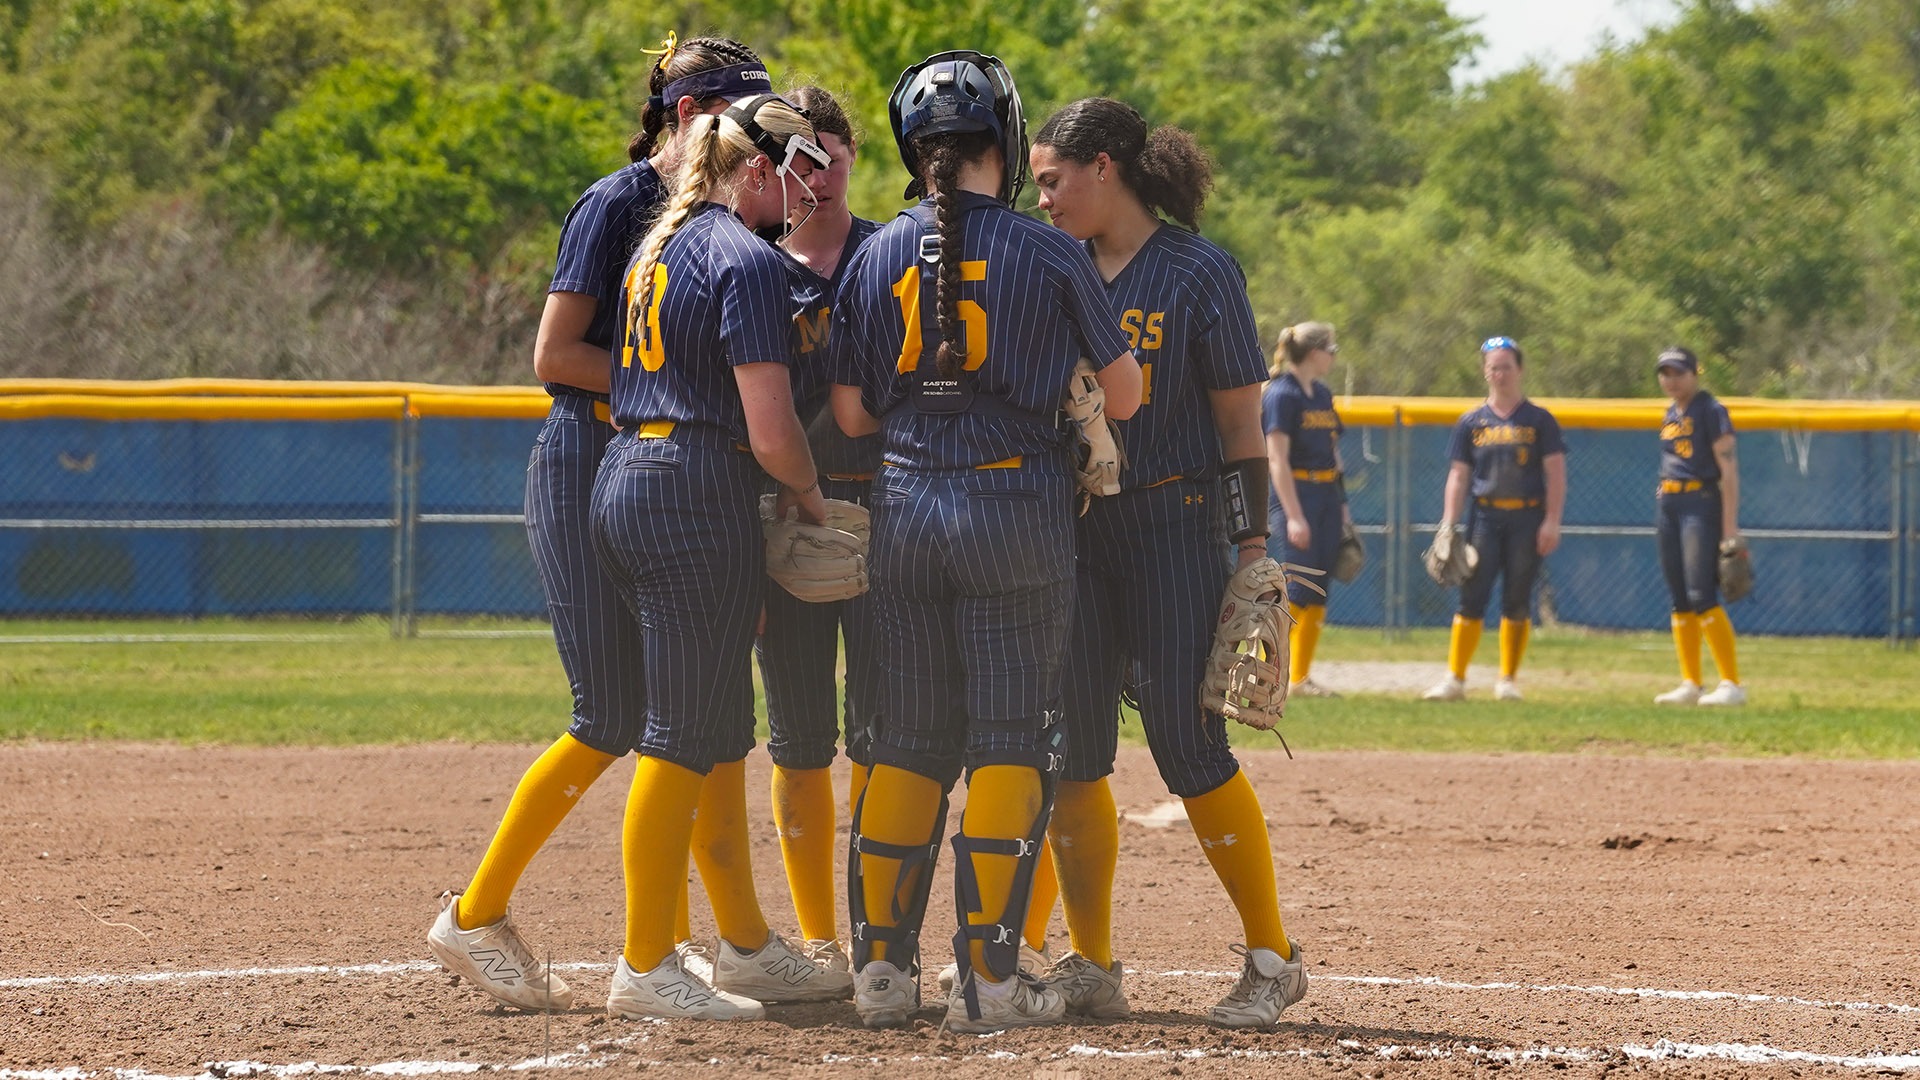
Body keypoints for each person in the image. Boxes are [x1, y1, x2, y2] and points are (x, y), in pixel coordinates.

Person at [425, 35, 780, 1012]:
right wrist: (673, 390)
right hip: (593, 458)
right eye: (737, 114)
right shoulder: (620, 202)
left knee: (696, 715)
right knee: (614, 718)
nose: (755, 136)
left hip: (660, 467)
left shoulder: (722, 215)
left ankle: (721, 944)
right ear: (685, 115)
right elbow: (555, 354)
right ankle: (479, 912)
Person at [827, 52, 1142, 1034]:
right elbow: (1126, 394)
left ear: (911, 152)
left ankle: (881, 973)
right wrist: (1071, 392)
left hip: (908, 510)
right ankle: (988, 982)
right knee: (1012, 741)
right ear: (1002, 144)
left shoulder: (875, 252)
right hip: (1014, 513)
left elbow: (848, 413)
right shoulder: (1050, 254)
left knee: (908, 745)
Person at [1024, 97, 1312, 1029]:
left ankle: (1272, 958)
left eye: (1055, 179)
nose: (1045, 198)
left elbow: (1240, 423)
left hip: (1174, 523)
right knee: (1074, 754)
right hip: (1077, 532)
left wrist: (1255, 546)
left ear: (1105, 167)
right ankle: (1093, 962)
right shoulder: (1049, 262)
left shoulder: (1197, 270)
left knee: (1192, 750)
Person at [589, 91, 853, 1021]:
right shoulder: (743, 255)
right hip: (694, 489)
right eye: (794, 176)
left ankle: (727, 950)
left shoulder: (660, 241)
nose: (806, 194)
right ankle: (646, 960)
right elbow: (773, 430)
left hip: (627, 474)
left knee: (693, 730)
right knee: (681, 738)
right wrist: (813, 500)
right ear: (756, 170)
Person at [753, 85, 882, 973]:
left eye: (832, 150)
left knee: (883, 735)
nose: (820, 170)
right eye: (802, 154)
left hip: (887, 516)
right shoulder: (751, 261)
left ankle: (877, 928)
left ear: (853, 157)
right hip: (782, 526)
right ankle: (817, 938)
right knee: (800, 739)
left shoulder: (893, 253)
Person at [1422, 336, 1566, 702]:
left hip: (1527, 517)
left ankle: (1508, 680)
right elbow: (1458, 474)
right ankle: (1455, 679)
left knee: (1517, 600)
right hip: (1484, 516)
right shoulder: (1472, 421)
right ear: (1485, 372)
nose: (1499, 374)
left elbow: (1556, 472)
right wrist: (1448, 524)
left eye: (1505, 366)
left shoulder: (1538, 419)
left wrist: (1551, 520)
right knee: (1472, 597)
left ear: (1519, 369)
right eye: (1492, 367)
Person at [1651, 346, 1746, 706]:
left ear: (1694, 374)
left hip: (1700, 504)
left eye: (1678, 372)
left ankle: (1731, 684)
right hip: (1670, 504)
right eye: (1665, 373)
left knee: (1701, 594)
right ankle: (1691, 683)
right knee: (1679, 598)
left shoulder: (1710, 410)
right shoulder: (1670, 413)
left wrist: (1729, 527)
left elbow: (1729, 471)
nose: (1671, 379)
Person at [1263, 321, 1351, 699]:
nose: (1332, 356)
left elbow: (1334, 454)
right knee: (1297, 586)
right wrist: (1293, 514)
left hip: (1326, 494)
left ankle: (1300, 678)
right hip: (1296, 492)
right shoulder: (1281, 395)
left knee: (1319, 589)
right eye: (1329, 350)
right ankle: (1268, 672)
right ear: (1313, 353)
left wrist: (1343, 507)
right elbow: (1276, 459)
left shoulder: (1321, 394)